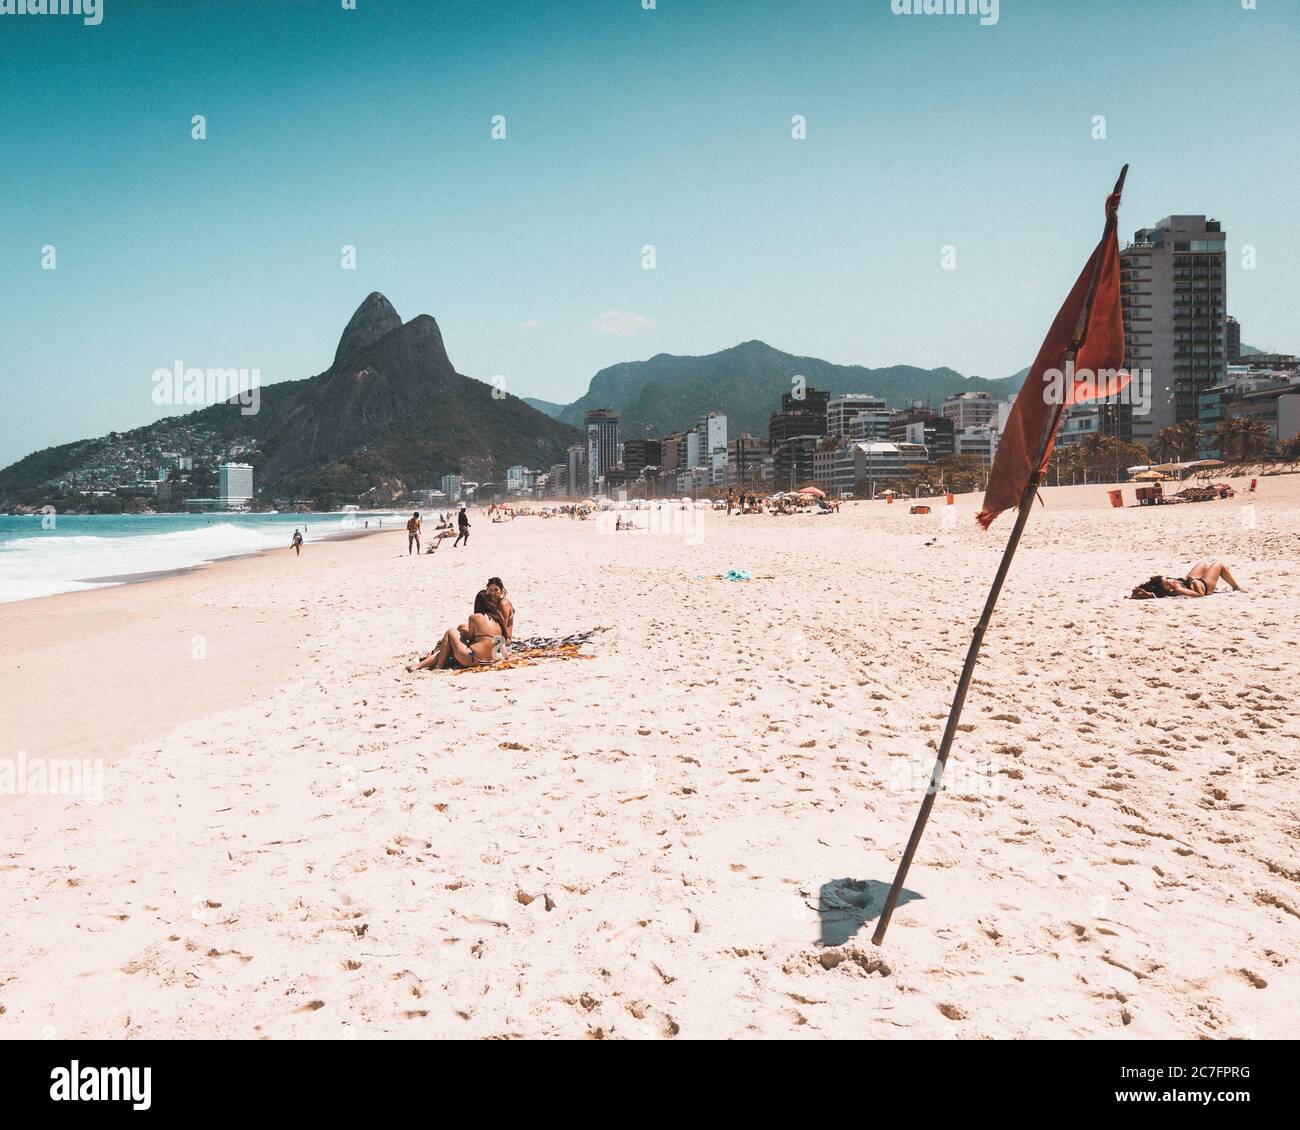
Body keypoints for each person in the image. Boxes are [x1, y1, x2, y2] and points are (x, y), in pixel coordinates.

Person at [407, 589, 507, 671]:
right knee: (453, 640)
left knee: (451, 632)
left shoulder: (474, 617)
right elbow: (502, 650)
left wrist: (462, 631)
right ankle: (418, 665)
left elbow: (471, 637)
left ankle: (439, 665)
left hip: (472, 657)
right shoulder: (498, 621)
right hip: (489, 661)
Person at [1130, 559, 1244, 599]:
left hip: (1190, 580)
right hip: (1203, 586)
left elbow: (1153, 593)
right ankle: (1236, 587)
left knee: (1203, 563)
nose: (1169, 580)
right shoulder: (1177, 589)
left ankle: (1217, 573)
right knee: (1219, 564)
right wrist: (1192, 581)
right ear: (1165, 588)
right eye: (1166, 582)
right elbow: (1198, 595)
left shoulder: (1164, 587)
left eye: (1167, 579)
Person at [486, 576, 514, 642]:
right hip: (492, 636)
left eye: (496, 590)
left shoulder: (504, 603)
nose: (493, 593)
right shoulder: (489, 603)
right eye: (491, 590)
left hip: (504, 639)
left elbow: (503, 628)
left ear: (501, 590)